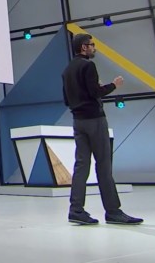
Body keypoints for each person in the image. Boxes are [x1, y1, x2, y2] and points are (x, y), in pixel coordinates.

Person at [61, 33, 143, 226]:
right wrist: (113, 85)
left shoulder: (67, 70)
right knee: (103, 165)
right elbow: (95, 93)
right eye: (91, 45)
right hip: (95, 120)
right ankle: (113, 211)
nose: (94, 48)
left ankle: (76, 210)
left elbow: (66, 100)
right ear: (84, 47)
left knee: (81, 166)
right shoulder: (88, 66)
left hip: (78, 121)